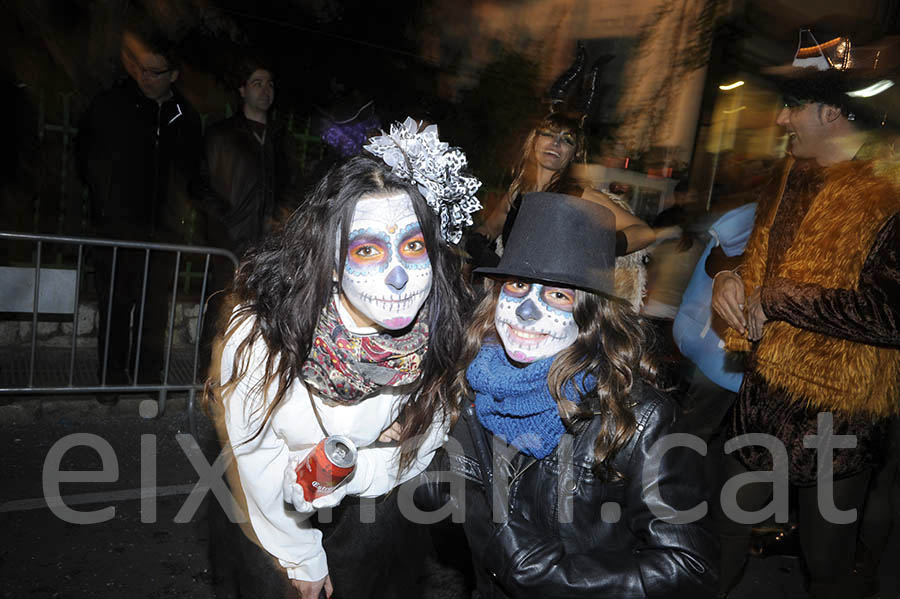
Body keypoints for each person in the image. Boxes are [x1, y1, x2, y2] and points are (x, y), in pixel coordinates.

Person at [205, 118, 479, 599]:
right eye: (369, 249)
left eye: (413, 246)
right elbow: (257, 458)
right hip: (270, 512)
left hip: (374, 512)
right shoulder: (265, 332)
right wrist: (300, 555)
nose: (399, 276)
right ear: (330, 262)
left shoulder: (440, 326)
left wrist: (365, 466)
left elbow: (430, 432)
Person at [418, 192, 719, 598]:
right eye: (518, 286)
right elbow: (444, 491)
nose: (527, 312)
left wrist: (545, 572)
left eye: (557, 295)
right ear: (497, 296)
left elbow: (689, 567)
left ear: (591, 314)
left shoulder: (638, 417)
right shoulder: (472, 382)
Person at [711, 29, 900, 598]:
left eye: (791, 107)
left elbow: (891, 315)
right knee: (721, 530)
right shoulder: (788, 175)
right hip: (763, 395)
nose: (780, 122)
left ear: (831, 112)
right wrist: (731, 278)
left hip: (838, 413)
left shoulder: (890, 192)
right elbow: (762, 264)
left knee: (826, 563)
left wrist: (779, 297)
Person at [76, 16, 201, 390]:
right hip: (115, 227)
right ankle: (110, 381)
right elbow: (84, 154)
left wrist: (183, 217)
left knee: (154, 310)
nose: (145, 78)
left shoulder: (185, 117)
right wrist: (104, 203)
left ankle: (147, 378)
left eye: (155, 72)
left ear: (173, 75)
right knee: (115, 305)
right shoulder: (111, 104)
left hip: (163, 232)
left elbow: (193, 174)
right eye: (141, 69)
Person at [197, 55, 299, 256]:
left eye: (270, 84)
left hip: (270, 244)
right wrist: (225, 220)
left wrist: (281, 216)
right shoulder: (221, 135)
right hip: (229, 244)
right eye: (257, 84)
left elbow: (293, 183)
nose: (265, 90)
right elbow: (201, 184)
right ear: (242, 90)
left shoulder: (281, 137)